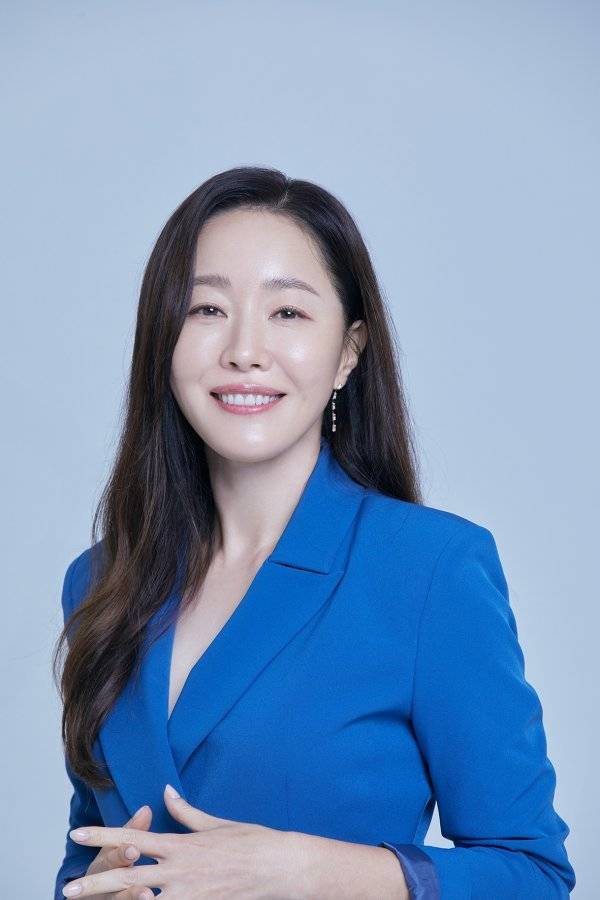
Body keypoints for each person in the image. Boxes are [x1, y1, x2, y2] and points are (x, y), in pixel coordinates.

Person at [53, 166, 576, 899]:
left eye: (288, 313)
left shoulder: (429, 569)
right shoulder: (101, 580)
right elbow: (86, 856)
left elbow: (533, 875)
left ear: (348, 352)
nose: (244, 349)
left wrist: (304, 870)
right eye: (207, 308)